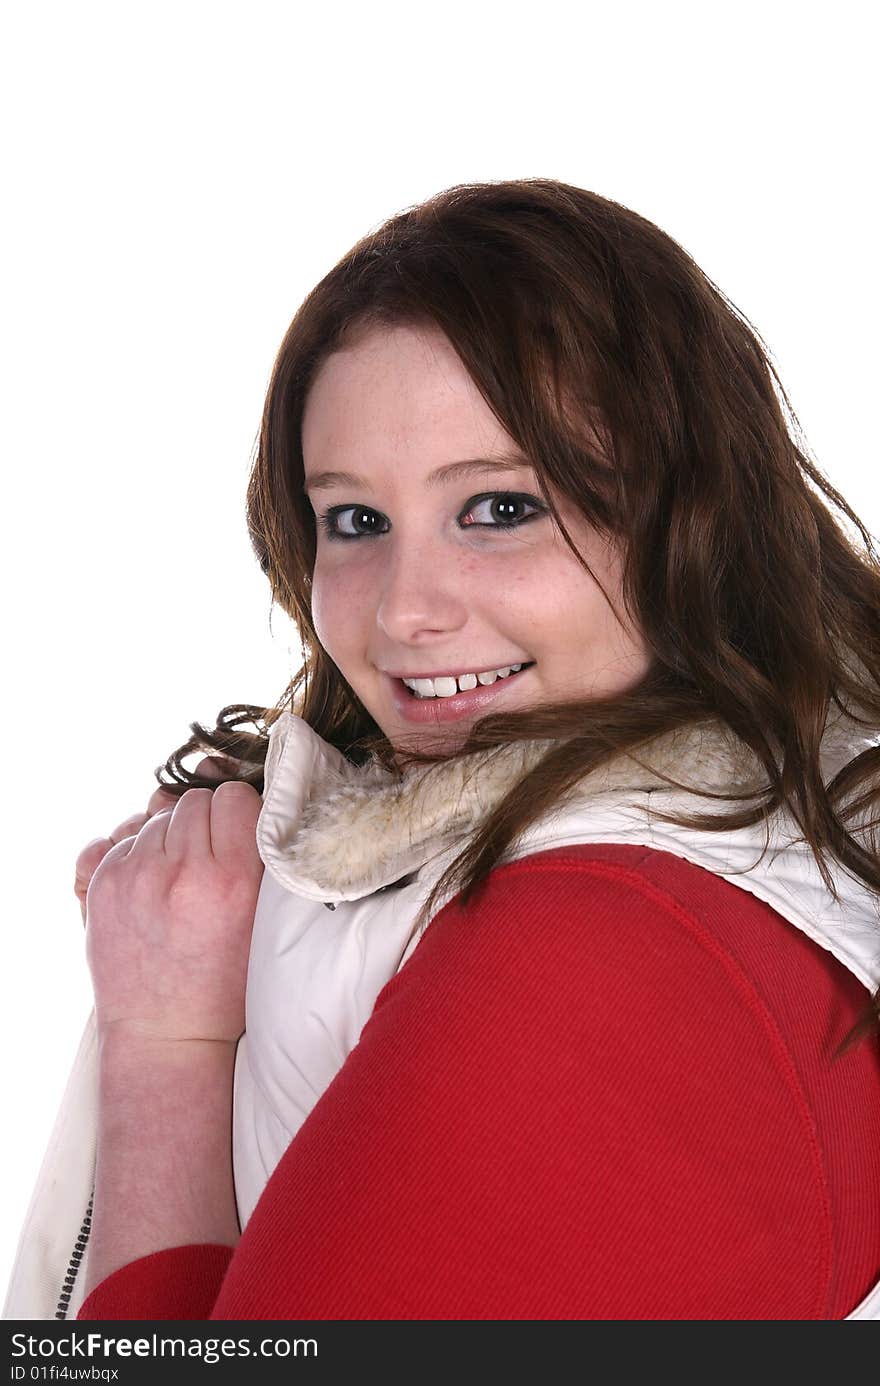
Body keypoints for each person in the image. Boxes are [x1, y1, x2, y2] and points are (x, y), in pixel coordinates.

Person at [5, 177, 880, 1321]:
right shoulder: (707, 826)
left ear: (694, 512)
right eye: (354, 521)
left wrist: (167, 1039)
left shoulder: (600, 948)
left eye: (499, 508)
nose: (404, 612)